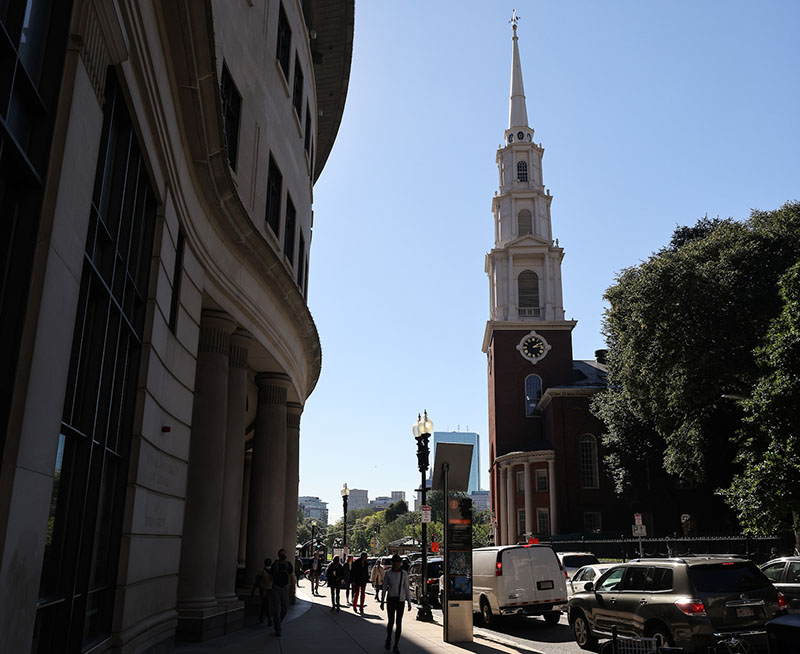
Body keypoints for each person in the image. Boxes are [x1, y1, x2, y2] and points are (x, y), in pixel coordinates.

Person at [381, 554, 412, 653]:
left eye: (398, 562)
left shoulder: (404, 574)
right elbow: (384, 588)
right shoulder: (388, 574)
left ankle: (396, 645)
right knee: (391, 622)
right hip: (391, 599)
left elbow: (406, 588)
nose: (397, 564)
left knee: (398, 623)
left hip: (400, 600)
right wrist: (382, 601)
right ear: (393, 563)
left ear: (400, 563)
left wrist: (409, 602)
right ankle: (389, 638)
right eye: (395, 562)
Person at [269, 548, 295, 636]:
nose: (284, 556)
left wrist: (293, 588)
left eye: (285, 554)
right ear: (279, 555)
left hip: (285, 588)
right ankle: (278, 629)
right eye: (282, 554)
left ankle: (277, 622)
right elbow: (270, 577)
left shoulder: (288, 565)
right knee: (277, 609)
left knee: (285, 609)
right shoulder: (275, 565)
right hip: (276, 587)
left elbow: (292, 576)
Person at [250, 557, 273, 625]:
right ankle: (269, 619)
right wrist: (253, 590)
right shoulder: (261, 571)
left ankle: (261, 616)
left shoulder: (272, 571)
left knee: (265, 604)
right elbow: (257, 581)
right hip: (263, 589)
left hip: (270, 589)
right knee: (267, 604)